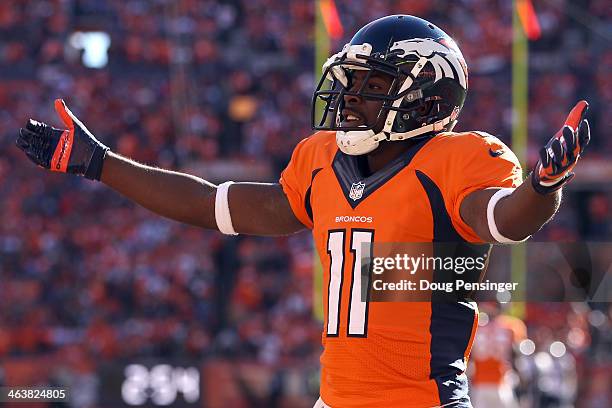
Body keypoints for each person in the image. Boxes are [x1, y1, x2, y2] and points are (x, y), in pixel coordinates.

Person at [16, 14, 590, 408]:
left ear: (427, 98)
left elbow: (505, 219)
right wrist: (101, 164)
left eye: (372, 85)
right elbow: (212, 204)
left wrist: (543, 187)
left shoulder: (461, 157)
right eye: (352, 81)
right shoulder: (319, 162)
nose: (351, 98)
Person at [469, 303, 526, 408]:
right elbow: (516, 355)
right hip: (501, 383)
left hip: (479, 384)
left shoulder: (475, 324)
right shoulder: (511, 326)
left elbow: (469, 356)